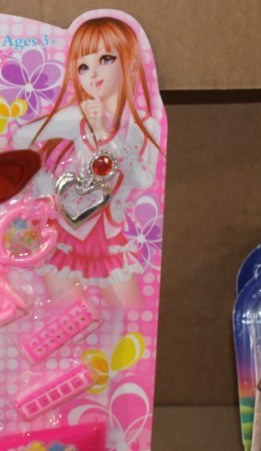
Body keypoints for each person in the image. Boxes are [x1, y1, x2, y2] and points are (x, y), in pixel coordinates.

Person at [13, 16, 162, 309]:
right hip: (65, 236)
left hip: (111, 238)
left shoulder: (145, 126)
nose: (93, 73)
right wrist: (45, 186)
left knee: (130, 313)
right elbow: (21, 137)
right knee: (65, 315)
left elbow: (143, 179)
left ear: (131, 63)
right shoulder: (75, 118)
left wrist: (102, 132)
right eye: (83, 66)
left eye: (105, 59)